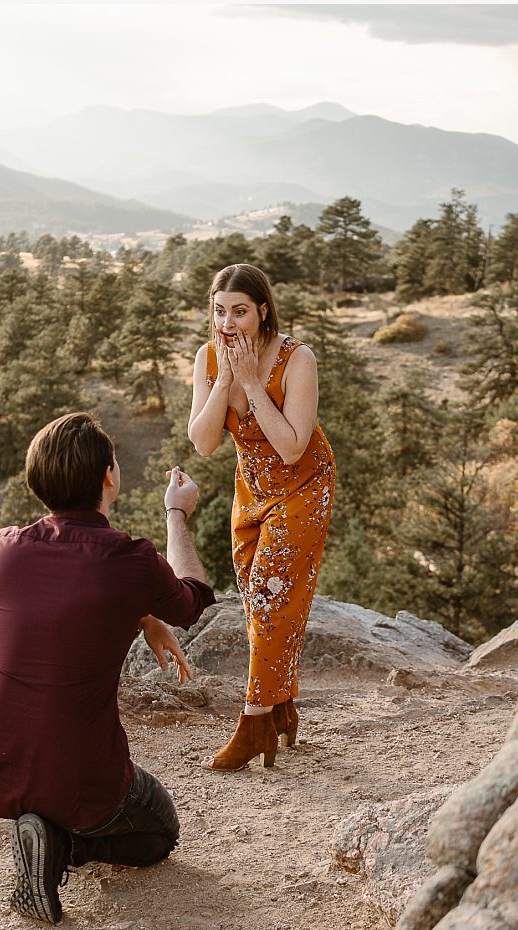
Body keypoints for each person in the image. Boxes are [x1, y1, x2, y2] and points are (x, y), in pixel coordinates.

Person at [0, 412, 215, 924]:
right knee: (160, 833)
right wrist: (176, 513)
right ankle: (61, 843)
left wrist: (142, 615)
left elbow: (64, 599)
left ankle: (40, 827)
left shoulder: (2, 550)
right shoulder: (130, 559)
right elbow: (193, 602)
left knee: (56, 770)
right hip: (82, 773)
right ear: (108, 477)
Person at [187, 263, 336, 771]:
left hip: (303, 485)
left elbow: (294, 447)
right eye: (220, 311)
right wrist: (225, 377)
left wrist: (251, 382)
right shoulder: (208, 358)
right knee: (258, 597)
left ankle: (254, 722)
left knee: (273, 593)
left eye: (241, 312)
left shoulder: (298, 360)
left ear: (263, 311)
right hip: (251, 491)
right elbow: (204, 443)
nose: (228, 323)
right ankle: (282, 704)